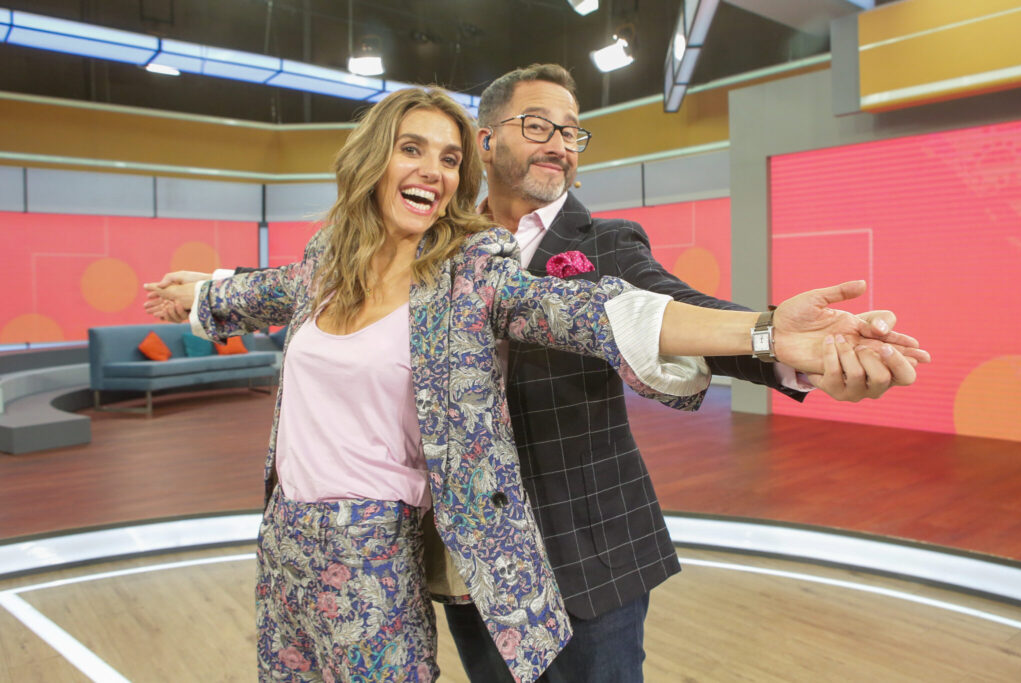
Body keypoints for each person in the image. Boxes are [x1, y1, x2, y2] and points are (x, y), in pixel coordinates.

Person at [146, 68, 929, 683]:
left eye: (572, 131)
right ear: (489, 142)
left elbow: (635, 313)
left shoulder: (556, 254)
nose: (561, 142)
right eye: (538, 125)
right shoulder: (390, 255)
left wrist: (772, 336)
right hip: (466, 558)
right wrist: (205, 293)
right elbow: (278, 289)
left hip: (579, 553)